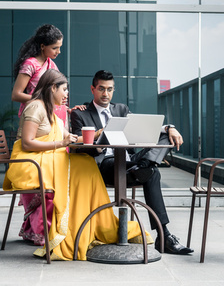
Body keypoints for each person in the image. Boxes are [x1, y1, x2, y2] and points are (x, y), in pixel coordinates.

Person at [3, 69, 144, 261]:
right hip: (30, 162)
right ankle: (75, 229)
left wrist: (97, 133)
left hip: (46, 158)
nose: (67, 95)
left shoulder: (49, 109)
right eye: (64, 90)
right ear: (53, 88)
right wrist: (60, 143)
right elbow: (27, 143)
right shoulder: (35, 107)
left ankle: (88, 226)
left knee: (87, 164)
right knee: (84, 168)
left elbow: (71, 138)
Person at [70, 69, 193, 255]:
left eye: (110, 89)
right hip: (106, 164)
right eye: (101, 89)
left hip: (130, 162)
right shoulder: (81, 114)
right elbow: (78, 143)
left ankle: (144, 166)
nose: (106, 94)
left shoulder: (122, 109)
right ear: (92, 89)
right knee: (153, 174)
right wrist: (102, 137)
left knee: (164, 139)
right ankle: (164, 235)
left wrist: (170, 128)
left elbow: (144, 128)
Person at [11, 24, 84, 127]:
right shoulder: (30, 64)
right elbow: (16, 95)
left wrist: (68, 109)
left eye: (60, 47)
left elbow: (55, 93)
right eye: (55, 48)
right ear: (42, 46)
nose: (59, 52)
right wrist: (43, 99)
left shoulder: (52, 64)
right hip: (36, 116)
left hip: (53, 116)